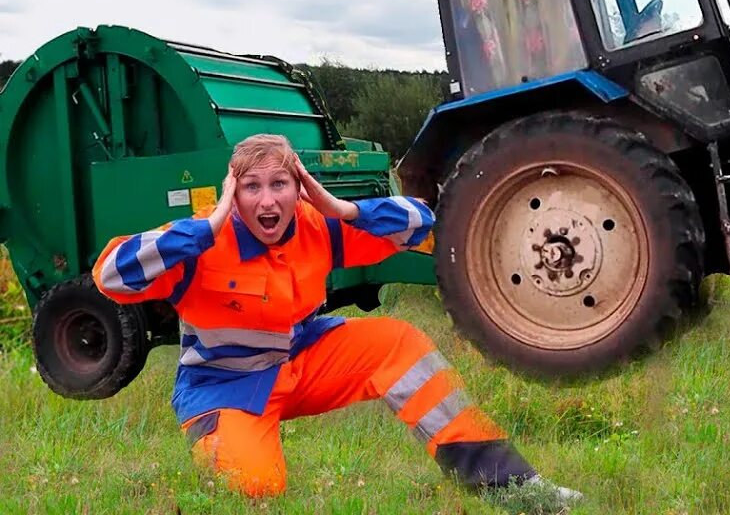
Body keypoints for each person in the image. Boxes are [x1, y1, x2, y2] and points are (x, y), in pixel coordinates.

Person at [91, 133, 581, 507]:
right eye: (251, 187)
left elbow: (421, 225)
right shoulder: (199, 242)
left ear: (297, 187)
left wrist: (339, 207)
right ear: (233, 193)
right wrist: (210, 223)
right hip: (224, 386)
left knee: (398, 344)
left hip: (304, 359)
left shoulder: (315, 225)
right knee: (256, 490)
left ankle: (514, 488)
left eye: (280, 184)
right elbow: (111, 274)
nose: (268, 201)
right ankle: (234, 448)